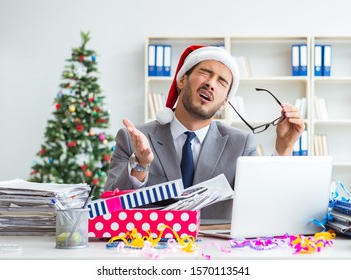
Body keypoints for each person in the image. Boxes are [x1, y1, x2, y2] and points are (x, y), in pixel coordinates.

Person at [104, 45, 305, 220]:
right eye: (205, 72)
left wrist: (284, 149)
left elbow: (264, 204)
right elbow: (109, 208)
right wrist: (140, 164)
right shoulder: (133, 138)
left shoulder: (241, 144)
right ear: (182, 80)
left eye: (222, 82)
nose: (211, 83)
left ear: (224, 102)